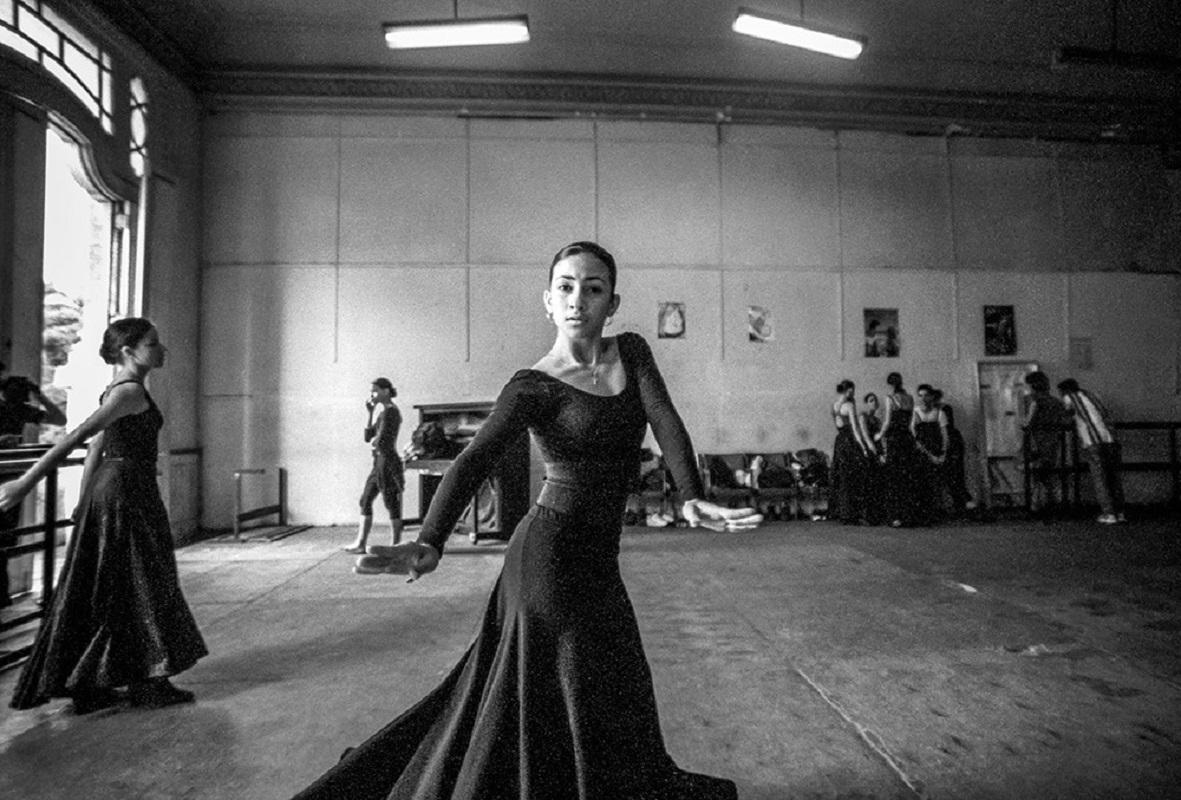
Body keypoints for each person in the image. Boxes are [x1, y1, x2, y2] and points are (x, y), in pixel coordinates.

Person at [297, 242, 760, 800]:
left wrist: (689, 496)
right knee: (577, 687)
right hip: (549, 559)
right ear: (547, 300)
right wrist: (430, 541)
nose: (577, 299)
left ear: (613, 302)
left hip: (598, 558)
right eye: (565, 287)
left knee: (619, 685)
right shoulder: (534, 384)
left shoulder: (631, 353)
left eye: (592, 288)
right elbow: (474, 461)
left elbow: (664, 417)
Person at [0, 318, 207, 714]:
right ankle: (147, 680)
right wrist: (25, 483)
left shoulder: (122, 390)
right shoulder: (128, 392)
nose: (162, 350)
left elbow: (97, 448)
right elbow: (76, 437)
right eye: (153, 343)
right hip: (126, 492)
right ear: (128, 352)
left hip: (114, 490)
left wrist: (83, 501)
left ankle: (91, 683)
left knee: (109, 581)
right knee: (144, 579)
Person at [1, 374, 67, 608]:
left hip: (10, 478)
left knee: (5, 537)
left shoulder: (20, 410)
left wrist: (39, 395)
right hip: (9, 476)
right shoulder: (16, 409)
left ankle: (2, 596)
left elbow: (60, 419)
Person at [345, 377, 405, 554]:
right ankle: (361, 543)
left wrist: (375, 442)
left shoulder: (391, 412)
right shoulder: (382, 412)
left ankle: (395, 546)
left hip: (386, 462)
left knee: (390, 502)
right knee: (365, 500)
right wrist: (370, 413)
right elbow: (368, 438)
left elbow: (381, 442)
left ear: (386, 391)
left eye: (375, 390)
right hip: (378, 461)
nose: (372, 394)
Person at [1058, 378, 1126, 524]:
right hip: (1111, 439)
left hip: (1092, 442)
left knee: (1100, 478)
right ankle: (1120, 512)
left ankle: (1109, 514)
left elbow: (1066, 419)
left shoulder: (1069, 398)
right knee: (1114, 477)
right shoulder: (1093, 395)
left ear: (1065, 390)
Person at [875, 372, 922, 526]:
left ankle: (896, 517)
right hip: (907, 439)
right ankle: (910, 516)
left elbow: (887, 421)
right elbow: (910, 423)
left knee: (894, 478)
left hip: (895, 439)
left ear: (890, 384)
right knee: (907, 477)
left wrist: (879, 435)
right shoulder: (910, 398)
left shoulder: (890, 399)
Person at [1022, 370, 1067, 521]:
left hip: (1037, 441)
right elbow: (1064, 420)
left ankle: (1037, 506)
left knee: (1037, 474)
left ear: (1032, 385)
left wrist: (1024, 425)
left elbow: (1028, 422)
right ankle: (1054, 504)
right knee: (1049, 474)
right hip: (1053, 441)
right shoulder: (1056, 402)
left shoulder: (1033, 400)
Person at [829, 380, 873, 525]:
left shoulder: (834, 406)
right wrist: (864, 447)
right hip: (849, 442)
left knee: (842, 478)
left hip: (839, 442)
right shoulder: (849, 405)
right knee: (854, 478)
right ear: (848, 390)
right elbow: (855, 430)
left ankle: (844, 514)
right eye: (852, 391)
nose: (853, 393)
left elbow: (838, 425)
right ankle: (854, 514)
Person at [911, 383, 949, 523]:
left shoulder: (939, 413)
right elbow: (913, 436)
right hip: (921, 452)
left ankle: (934, 513)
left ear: (932, 396)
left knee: (935, 482)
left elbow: (945, 436)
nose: (923, 398)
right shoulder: (915, 412)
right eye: (920, 395)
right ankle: (921, 514)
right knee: (920, 482)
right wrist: (928, 454)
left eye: (926, 395)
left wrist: (943, 454)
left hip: (936, 450)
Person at [933, 390, 974, 518]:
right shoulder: (945, 410)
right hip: (951, 446)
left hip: (949, 447)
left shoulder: (941, 411)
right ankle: (962, 505)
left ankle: (961, 505)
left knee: (953, 478)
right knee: (954, 478)